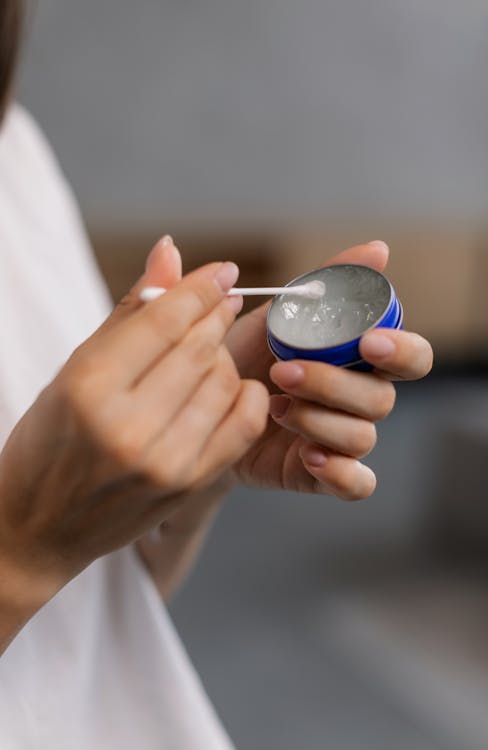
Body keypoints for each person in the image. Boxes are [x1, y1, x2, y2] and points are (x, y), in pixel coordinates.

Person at [0, 2, 433, 748]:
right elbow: (40, 568)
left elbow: (101, 619)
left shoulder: (15, 158)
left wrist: (194, 470)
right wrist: (19, 551)